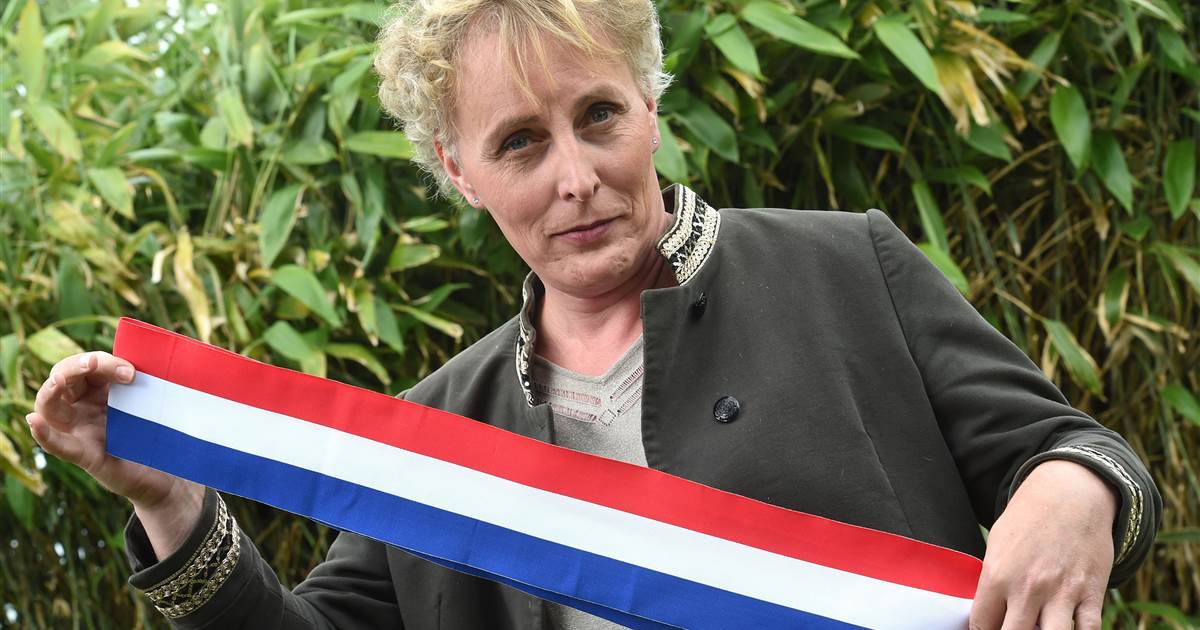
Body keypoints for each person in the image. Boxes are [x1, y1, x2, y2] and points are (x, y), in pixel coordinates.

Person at [26, 0, 1160, 628]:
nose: (576, 177)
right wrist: (172, 503)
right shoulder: (435, 434)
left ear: (652, 107)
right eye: (520, 142)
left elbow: (1075, 450)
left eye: (600, 116)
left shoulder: (845, 266)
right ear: (458, 170)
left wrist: (1076, 490)